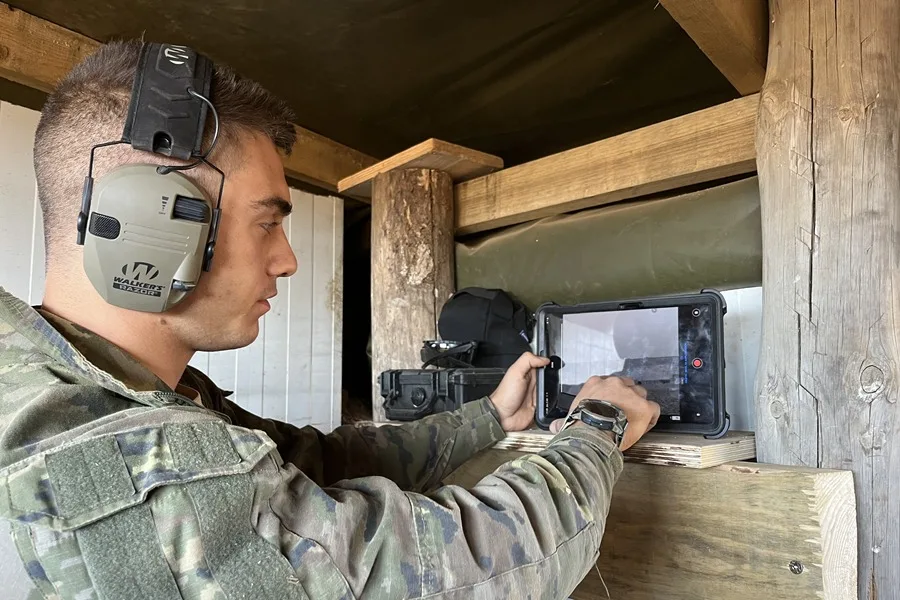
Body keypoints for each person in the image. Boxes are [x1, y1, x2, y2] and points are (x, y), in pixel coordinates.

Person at [0, 40, 660, 599]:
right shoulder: (138, 470)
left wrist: (488, 418)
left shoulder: (89, 388)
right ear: (149, 229)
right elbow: (470, 564)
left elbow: (319, 464)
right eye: (266, 224)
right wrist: (596, 428)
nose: (286, 260)